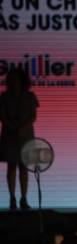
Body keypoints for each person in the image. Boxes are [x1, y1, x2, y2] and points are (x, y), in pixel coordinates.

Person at [0, 68, 39, 210]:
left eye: (16, 79)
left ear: (22, 81)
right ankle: (12, 198)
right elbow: (2, 116)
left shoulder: (30, 96)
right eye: (11, 79)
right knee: (11, 166)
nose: (13, 82)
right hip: (9, 135)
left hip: (25, 135)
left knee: (24, 167)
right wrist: (11, 127)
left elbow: (33, 116)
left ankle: (24, 198)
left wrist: (22, 127)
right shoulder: (4, 96)